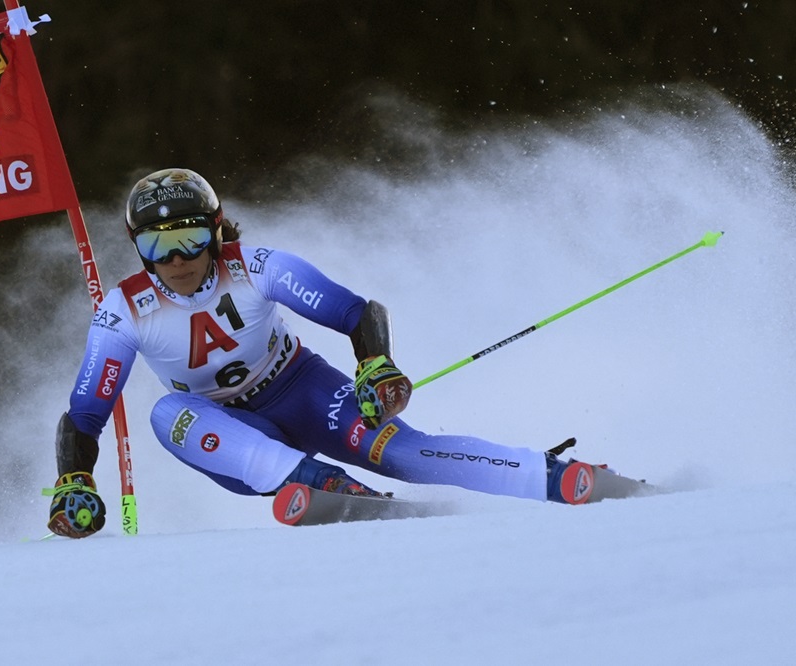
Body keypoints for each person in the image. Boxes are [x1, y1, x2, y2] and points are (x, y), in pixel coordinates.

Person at [45, 167, 627, 538]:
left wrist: (375, 364)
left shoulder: (256, 265)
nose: (178, 259)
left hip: (303, 389)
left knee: (407, 455)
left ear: (216, 230)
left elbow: (355, 311)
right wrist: (75, 479)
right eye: (158, 245)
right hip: (233, 433)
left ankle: (551, 476)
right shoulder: (122, 311)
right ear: (138, 248)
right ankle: (317, 481)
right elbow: (86, 413)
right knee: (164, 415)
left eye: (192, 238)